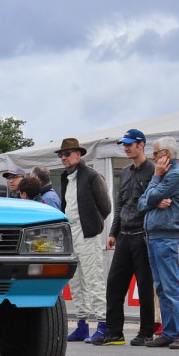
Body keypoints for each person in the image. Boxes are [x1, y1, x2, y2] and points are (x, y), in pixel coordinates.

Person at [93, 129, 157, 347]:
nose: (126, 147)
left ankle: (146, 331)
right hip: (125, 236)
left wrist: (151, 232)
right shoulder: (126, 171)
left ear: (142, 145)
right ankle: (115, 332)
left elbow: (157, 203)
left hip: (143, 236)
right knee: (114, 285)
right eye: (124, 144)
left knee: (145, 286)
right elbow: (121, 204)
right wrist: (113, 232)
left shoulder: (153, 171)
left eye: (130, 144)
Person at [139, 137, 179, 349]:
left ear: (166, 155)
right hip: (154, 235)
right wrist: (152, 199)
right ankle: (169, 331)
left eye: (156, 154)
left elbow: (150, 196)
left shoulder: (175, 175)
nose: (153, 158)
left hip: (165, 236)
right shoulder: (166, 176)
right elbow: (142, 202)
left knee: (171, 286)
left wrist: (155, 178)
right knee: (161, 287)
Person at [57, 138, 112, 342]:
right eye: (61, 155)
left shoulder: (91, 175)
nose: (63, 157)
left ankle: (103, 324)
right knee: (76, 281)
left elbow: (105, 206)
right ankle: (82, 324)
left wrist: (93, 224)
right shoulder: (66, 177)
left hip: (88, 233)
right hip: (71, 233)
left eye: (67, 154)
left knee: (93, 279)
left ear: (79, 155)